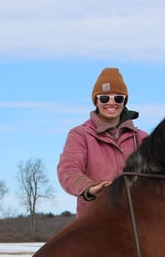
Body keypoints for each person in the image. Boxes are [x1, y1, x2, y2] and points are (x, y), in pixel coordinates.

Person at [57, 67, 147, 217]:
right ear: (96, 101)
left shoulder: (141, 138)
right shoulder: (80, 134)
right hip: (95, 221)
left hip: (137, 220)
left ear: (124, 101)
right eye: (105, 98)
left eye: (118, 98)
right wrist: (91, 188)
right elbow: (68, 170)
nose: (111, 103)